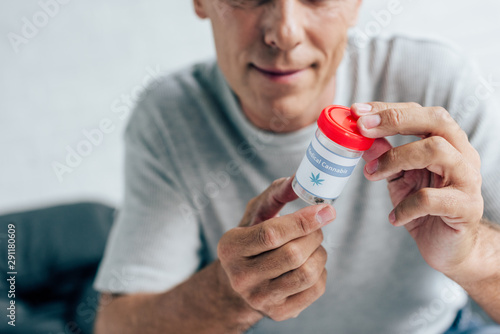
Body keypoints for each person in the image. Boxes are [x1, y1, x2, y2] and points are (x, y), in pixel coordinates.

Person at [93, 0, 500, 333]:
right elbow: (115, 326)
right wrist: (229, 294)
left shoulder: (434, 85)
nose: (284, 33)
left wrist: (469, 255)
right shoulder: (170, 115)